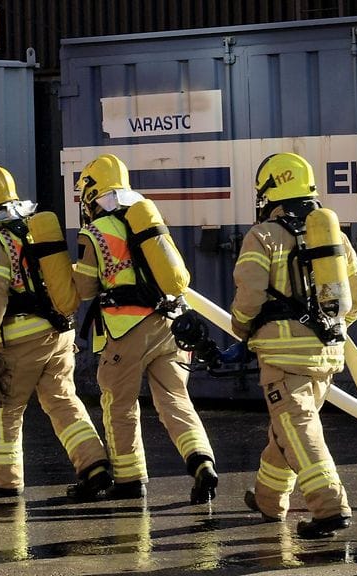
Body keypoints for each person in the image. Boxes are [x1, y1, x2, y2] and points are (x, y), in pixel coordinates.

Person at [232, 152, 357, 538]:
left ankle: (330, 508)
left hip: (283, 357)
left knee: (300, 430)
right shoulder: (333, 236)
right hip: (326, 355)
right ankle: (268, 499)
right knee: (287, 429)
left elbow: (250, 293)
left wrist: (241, 329)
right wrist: (331, 326)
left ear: (270, 192)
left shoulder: (262, 236)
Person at [0, 162, 111, 501]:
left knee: (3, 408)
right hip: (59, 335)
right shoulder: (30, 228)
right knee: (62, 402)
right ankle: (94, 464)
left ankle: (4, 480)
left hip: (22, 341)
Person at [73, 153, 218, 504]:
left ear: (93, 193)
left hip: (127, 328)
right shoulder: (147, 221)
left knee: (119, 404)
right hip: (169, 324)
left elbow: (85, 290)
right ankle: (201, 461)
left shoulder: (94, 232)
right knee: (175, 400)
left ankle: (129, 478)